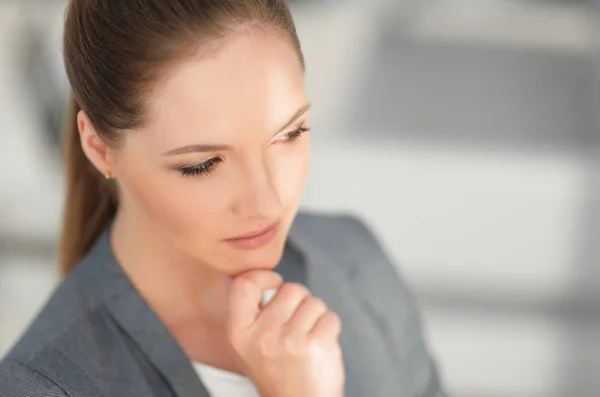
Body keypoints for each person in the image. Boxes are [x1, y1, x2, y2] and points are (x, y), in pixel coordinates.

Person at [0, 1, 447, 396]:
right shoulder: (43, 386)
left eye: (290, 134)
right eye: (203, 164)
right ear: (99, 149)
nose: (266, 202)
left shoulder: (353, 258)